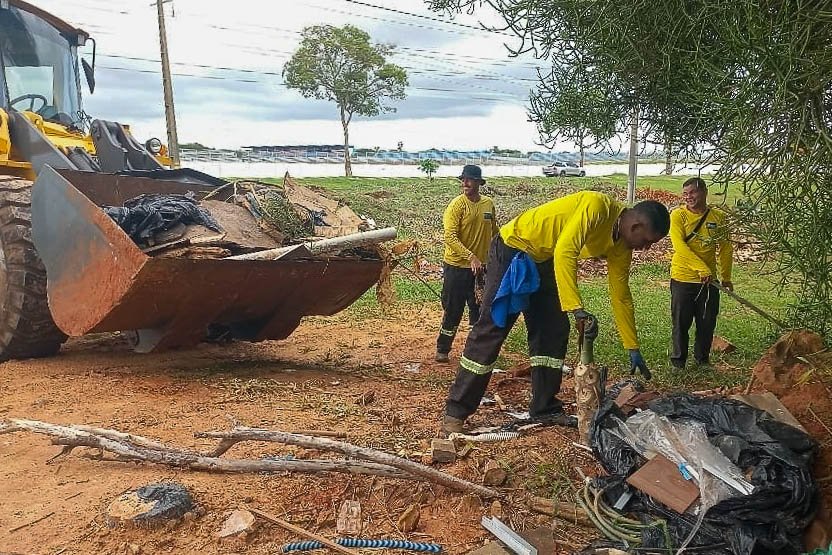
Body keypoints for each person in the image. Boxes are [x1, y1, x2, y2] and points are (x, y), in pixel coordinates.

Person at [441, 191, 670, 435]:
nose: (645, 248)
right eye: (646, 241)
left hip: (544, 258)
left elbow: (621, 294)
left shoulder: (621, 246)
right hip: (514, 249)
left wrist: (632, 345)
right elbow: (566, 250)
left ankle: (544, 407)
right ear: (635, 226)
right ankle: (455, 412)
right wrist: (576, 308)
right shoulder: (597, 207)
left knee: (552, 329)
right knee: (493, 328)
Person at [436, 164, 499, 363]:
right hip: (457, 267)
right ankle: (443, 349)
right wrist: (470, 256)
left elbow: (495, 231)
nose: (465, 183)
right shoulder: (457, 205)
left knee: (478, 310)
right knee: (453, 309)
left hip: (480, 268)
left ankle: (473, 351)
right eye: (463, 180)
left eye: (469, 180)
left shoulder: (488, 204)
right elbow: (450, 237)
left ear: (479, 183)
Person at [669, 177, 733, 370]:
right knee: (681, 323)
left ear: (704, 192)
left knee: (706, 323)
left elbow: (726, 248)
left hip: (709, 282)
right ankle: (678, 361)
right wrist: (701, 269)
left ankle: (702, 360)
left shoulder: (719, 218)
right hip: (683, 278)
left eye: (693, 192)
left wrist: (726, 277)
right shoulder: (677, 216)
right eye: (685, 194)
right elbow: (679, 246)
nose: (689, 197)